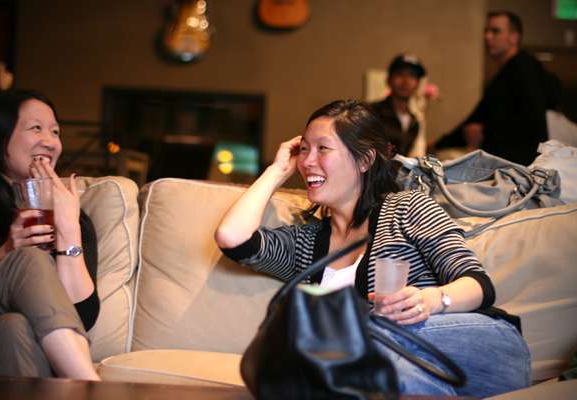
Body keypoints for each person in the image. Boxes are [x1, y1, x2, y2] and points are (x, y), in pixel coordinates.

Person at [215, 99, 531, 398]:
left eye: (323, 148)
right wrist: (277, 171)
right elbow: (232, 238)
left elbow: (479, 285)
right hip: (398, 367)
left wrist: (430, 300)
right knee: (364, 366)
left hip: (476, 347)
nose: (308, 161)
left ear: (365, 160)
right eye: (304, 149)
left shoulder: (407, 208)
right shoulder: (306, 244)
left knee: (366, 337)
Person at [0, 90, 100, 380]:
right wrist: (7, 252)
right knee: (29, 258)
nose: (50, 141)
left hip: (4, 341)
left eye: (55, 132)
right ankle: (92, 388)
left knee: (13, 327)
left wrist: (69, 230)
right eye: (36, 128)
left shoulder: (73, 215)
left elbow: (81, 317)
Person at [431, 11, 549, 166]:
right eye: (486, 31)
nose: (487, 36)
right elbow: (477, 117)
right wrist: (439, 144)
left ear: (514, 37)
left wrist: (485, 132)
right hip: (508, 166)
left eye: (495, 31)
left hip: (521, 168)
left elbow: (532, 120)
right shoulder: (504, 75)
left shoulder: (524, 67)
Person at [371, 53, 426, 157]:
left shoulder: (415, 122)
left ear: (418, 84)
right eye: (400, 74)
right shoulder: (373, 113)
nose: (406, 80)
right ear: (389, 79)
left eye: (412, 75)